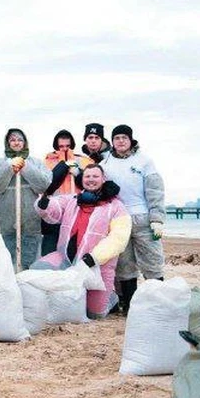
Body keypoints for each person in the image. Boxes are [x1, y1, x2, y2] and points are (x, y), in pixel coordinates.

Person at [34, 164, 131, 319]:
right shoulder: (73, 200)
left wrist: (94, 258)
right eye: (87, 176)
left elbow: (118, 238)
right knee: (39, 269)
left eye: (95, 176)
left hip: (97, 266)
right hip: (65, 258)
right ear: (82, 179)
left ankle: (112, 298)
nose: (91, 180)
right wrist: (44, 203)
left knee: (94, 314)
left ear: (103, 179)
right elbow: (55, 207)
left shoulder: (117, 207)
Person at [100, 124, 166, 313]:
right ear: (112, 142)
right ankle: (129, 305)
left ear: (130, 140)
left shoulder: (144, 161)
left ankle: (158, 302)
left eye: (124, 138)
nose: (120, 141)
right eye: (117, 138)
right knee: (124, 264)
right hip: (119, 220)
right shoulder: (106, 163)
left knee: (152, 261)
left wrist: (157, 218)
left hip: (144, 219)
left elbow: (155, 191)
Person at [0, 128, 51, 270]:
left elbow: (43, 185)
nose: (16, 143)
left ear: (25, 142)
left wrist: (25, 166)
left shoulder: (35, 162)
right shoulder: (0, 162)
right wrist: (9, 167)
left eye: (19, 140)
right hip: (6, 218)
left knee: (29, 258)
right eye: (12, 140)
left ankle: (27, 283)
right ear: (7, 143)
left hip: (30, 217)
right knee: (8, 261)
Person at [41, 129, 90, 255]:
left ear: (72, 145)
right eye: (61, 146)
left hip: (76, 210)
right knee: (51, 249)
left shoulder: (84, 161)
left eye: (67, 146)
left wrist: (79, 173)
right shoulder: (47, 162)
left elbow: (92, 184)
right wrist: (63, 166)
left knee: (73, 248)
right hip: (54, 211)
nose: (64, 149)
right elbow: (46, 185)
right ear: (56, 146)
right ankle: (49, 272)